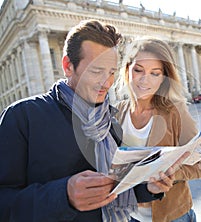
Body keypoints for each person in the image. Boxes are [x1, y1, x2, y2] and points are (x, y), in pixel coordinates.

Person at [0, 20, 183, 222]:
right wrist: (63, 195)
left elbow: (118, 185)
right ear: (68, 66)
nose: (107, 83)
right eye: (96, 71)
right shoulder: (22, 117)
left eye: (112, 72)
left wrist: (149, 187)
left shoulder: (111, 119)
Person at [114, 39, 201, 222]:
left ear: (164, 77)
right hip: (129, 215)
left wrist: (172, 174)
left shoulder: (176, 111)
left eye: (155, 73)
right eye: (138, 70)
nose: (145, 80)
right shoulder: (117, 112)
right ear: (127, 70)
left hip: (172, 216)